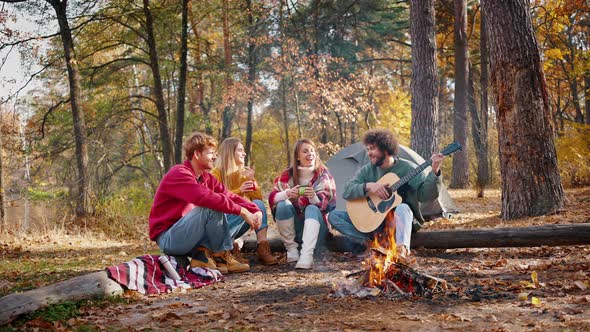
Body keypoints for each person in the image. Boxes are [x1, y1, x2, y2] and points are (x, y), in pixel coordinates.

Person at [148, 132, 263, 274]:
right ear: (197, 154)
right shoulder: (179, 173)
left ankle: (204, 256)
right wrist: (242, 211)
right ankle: (221, 253)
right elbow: (204, 197)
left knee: (239, 209)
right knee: (210, 207)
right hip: (170, 237)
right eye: (211, 153)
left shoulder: (206, 177)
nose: (215, 157)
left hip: (192, 234)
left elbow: (229, 195)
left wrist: (253, 210)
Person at [328, 129, 444, 262]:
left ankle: (402, 251)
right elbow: (347, 191)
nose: (369, 153)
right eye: (368, 149)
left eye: (373, 148)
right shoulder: (368, 169)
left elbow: (427, 196)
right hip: (373, 223)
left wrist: (434, 170)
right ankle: (372, 246)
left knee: (403, 207)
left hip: (398, 223)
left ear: (386, 149)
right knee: (334, 216)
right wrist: (369, 186)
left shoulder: (409, 169)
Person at [269, 138, 336, 269]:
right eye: (305, 151)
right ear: (297, 156)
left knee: (311, 207)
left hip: (318, 231)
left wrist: (314, 198)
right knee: (282, 204)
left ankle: (307, 255)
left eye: (312, 151)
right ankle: (291, 250)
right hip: (296, 230)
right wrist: (287, 194)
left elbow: (330, 206)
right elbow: (273, 198)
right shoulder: (287, 175)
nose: (310, 154)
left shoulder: (323, 175)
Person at [210, 137, 278, 266]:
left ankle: (262, 247)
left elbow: (257, 199)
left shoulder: (243, 174)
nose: (244, 154)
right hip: (221, 224)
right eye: (240, 150)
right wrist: (239, 190)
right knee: (245, 207)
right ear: (230, 153)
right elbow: (215, 199)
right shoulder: (216, 173)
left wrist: (253, 181)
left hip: (238, 220)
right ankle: (227, 249)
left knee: (257, 205)